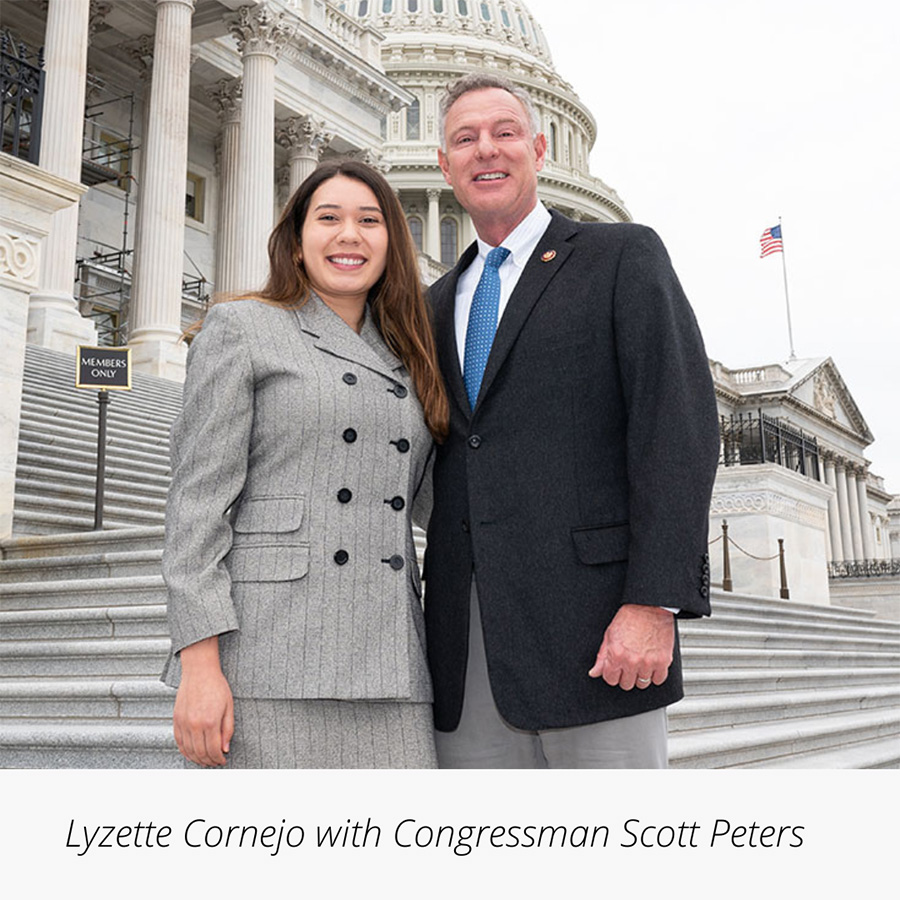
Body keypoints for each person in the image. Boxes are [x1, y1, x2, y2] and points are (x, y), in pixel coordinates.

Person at [424, 73, 721, 768]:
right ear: (444, 165)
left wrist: (655, 603)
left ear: (539, 146)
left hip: (602, 640)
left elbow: (677, 432)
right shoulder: (433, 303)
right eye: (464, 139)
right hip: (466, 652)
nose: (485, 151)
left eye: (503, 133)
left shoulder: (622, 256)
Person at [161, 159, 448, 768]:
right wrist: (199, 663)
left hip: (391, 655)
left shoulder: (411, 352)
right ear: (296, 243)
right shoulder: (243, 326)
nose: (350, 235)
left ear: (391, 243)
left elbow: (435, 501)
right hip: (266, 653)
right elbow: (197, 505)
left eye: (370, 220)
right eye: (329, 218)